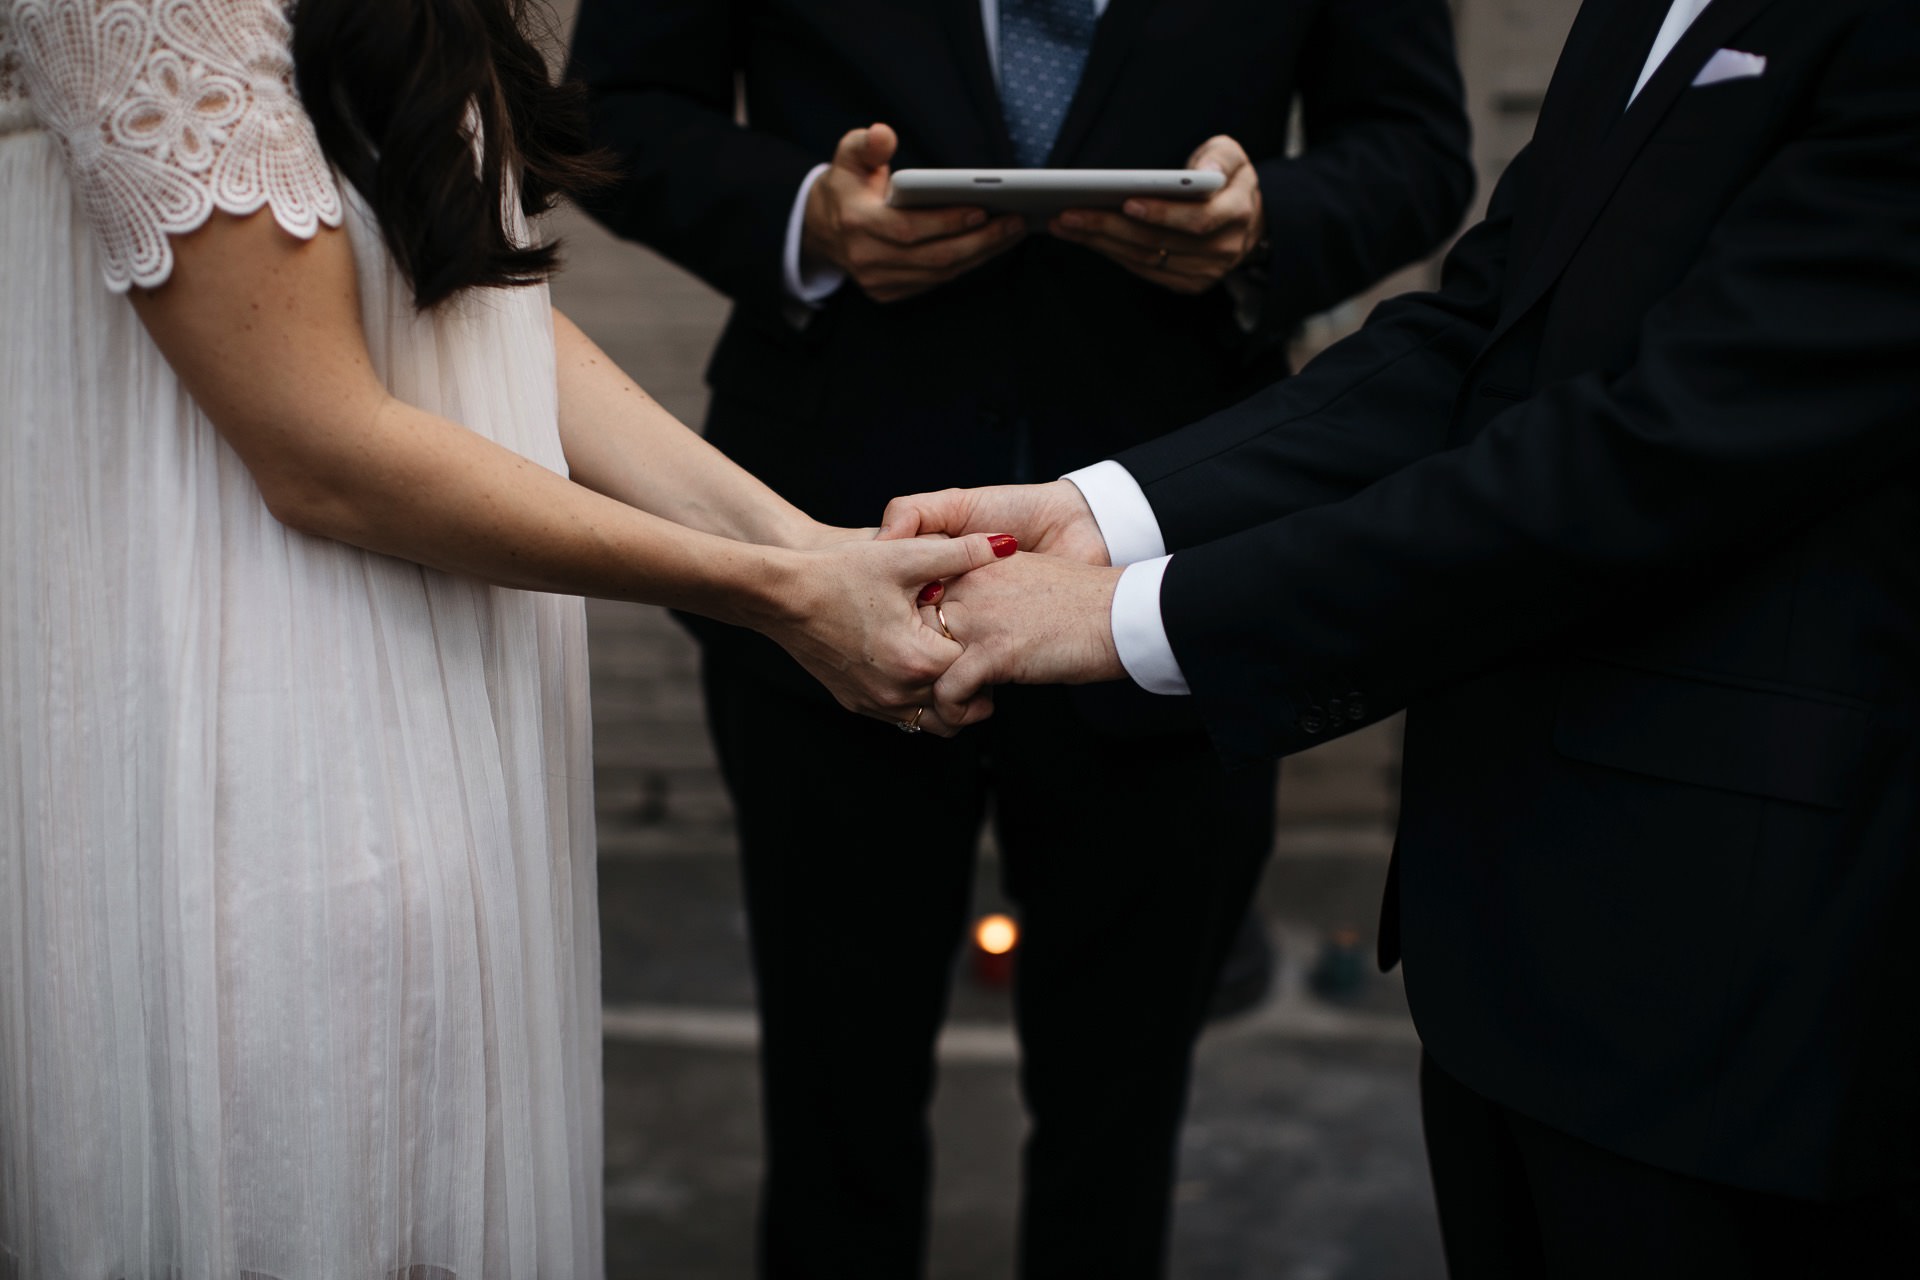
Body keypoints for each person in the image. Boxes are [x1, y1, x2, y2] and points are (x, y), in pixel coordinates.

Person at [886, 0, 1920, 1271]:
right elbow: (1479, 335)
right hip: (1505, 928)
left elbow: (1657, 449)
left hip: (1740, 971)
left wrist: (1133, 614)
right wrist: (1109, 513)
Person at [0, 0, 1006, 1273]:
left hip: (449, 648)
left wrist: (807, 545)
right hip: (239, 662)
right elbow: (318, 447)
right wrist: (773, 590)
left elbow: (474, 293)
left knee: (435, 1139)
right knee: (297, 1151)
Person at [566, 1, 1472, 1272]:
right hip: (835, 524)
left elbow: (1421, 146)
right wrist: (810, 221)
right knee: (835, 1087)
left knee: (1125, 1103)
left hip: (1182, 551)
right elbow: (612, 110)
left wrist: (1267, 226)